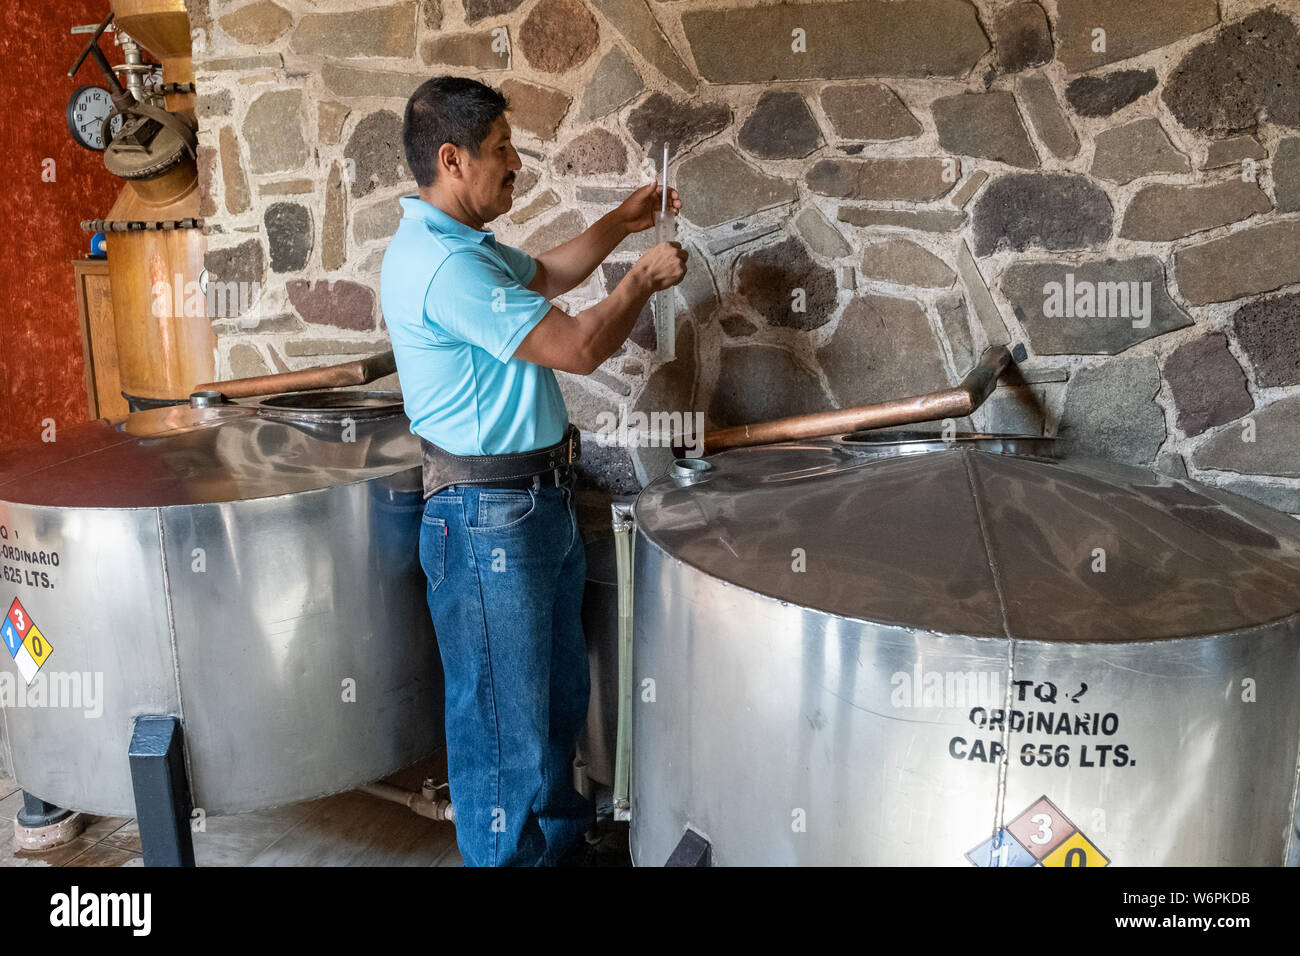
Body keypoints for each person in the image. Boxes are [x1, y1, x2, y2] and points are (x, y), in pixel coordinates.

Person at [380, 75, 687, 866]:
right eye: (501, 151)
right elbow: (579, 346)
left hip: (532, 504)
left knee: (551, 708)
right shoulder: (444, 269)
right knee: (501, 731)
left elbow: (547, 276)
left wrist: (621, 221)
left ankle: (556, 850)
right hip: (488, 517)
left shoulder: (462, 246)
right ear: (452, 159)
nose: (515, 163)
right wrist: (642, 279)